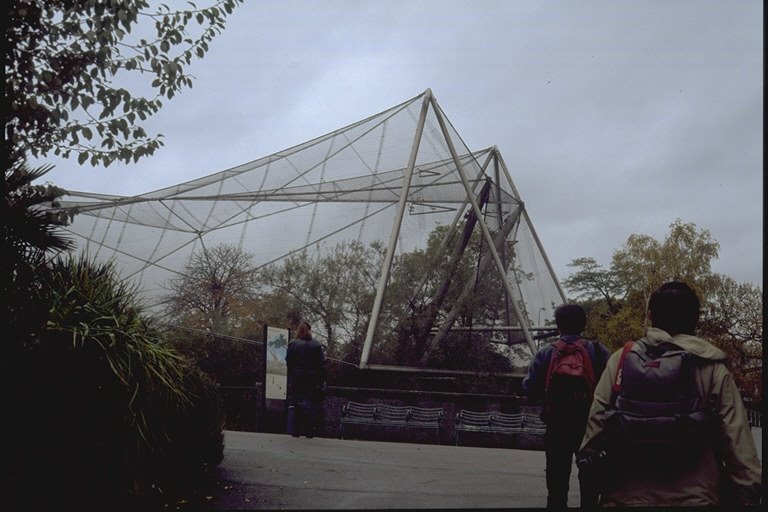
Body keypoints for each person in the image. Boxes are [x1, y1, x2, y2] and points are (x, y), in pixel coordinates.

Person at [578, 281, 761, 506]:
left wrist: (593, 478)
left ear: (650, 315)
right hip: (695, 498)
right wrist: (748, 495)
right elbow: (737, 440)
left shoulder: (622, 360)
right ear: (695, 318)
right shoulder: (711, 367)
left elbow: (597, 423)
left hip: (625, 498)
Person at [523, 303, 611, 509]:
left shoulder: (546, 353)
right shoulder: (598, 351)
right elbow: (611, 387)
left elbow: (531, 390)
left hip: (557, 424)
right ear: (583, 324)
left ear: (558, 325)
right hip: (590, 426)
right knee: (590, 483)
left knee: (557, 484)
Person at [285, 322, 326, 438]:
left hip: (297, 378)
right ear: (309, 331)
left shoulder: (293, 344)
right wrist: (320, 380)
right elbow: (322, 364)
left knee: (297, 402)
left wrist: (292, 375)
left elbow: (289, 361)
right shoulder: (316, 345)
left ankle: (296, 430)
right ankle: (310, 429)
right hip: (311, 378)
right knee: (309, 402)